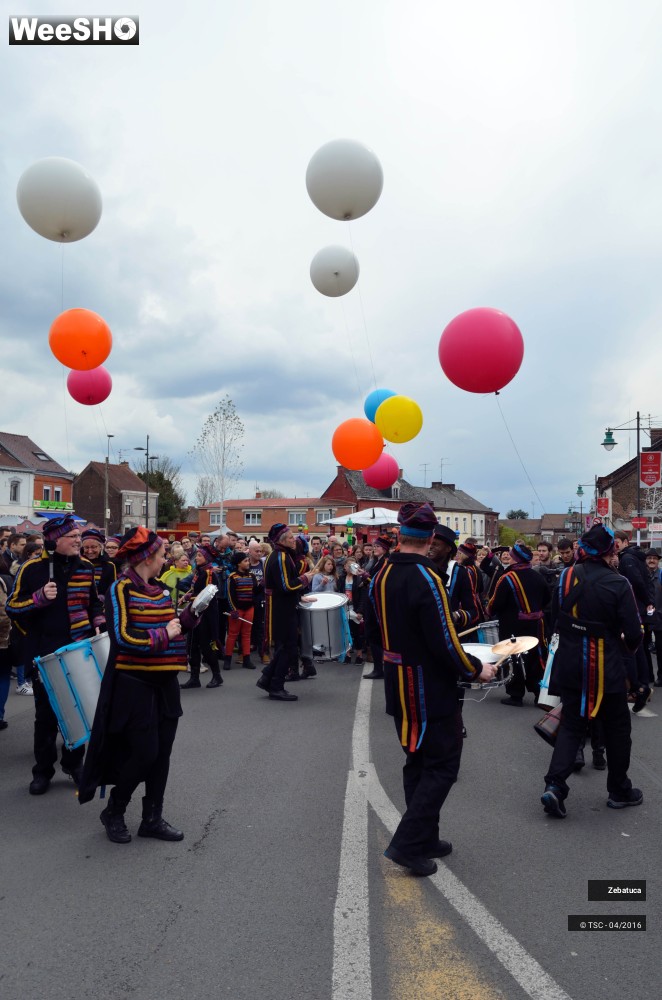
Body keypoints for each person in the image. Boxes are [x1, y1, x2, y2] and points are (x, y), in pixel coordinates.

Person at [370, 503, 495, 877]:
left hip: (397, 679)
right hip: (426, 685)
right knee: (442, 765)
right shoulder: (428, 579)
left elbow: (373, 631)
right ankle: (408, 843)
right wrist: (476, 668)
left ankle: (425, 836)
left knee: (417, 761)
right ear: (429, 541)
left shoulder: (382, 572)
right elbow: (445, 641)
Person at [78, 527, 192, 844]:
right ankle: (114, 810)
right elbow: (123, 638)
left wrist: (187, 620)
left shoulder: (160, 590)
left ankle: (152, 819)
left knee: (163, 755)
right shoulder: (120, 590)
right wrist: (165, 635)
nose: (165, 560)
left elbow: (172, 627)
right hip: (135, 685)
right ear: (146, 558)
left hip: (167, 683)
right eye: (161, 555)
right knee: (144, 754)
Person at [541, 524, 643, 818]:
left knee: (572, 725)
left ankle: (555, 786)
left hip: (570, 662)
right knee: (617, 729)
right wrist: (626, 651)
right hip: (605, 667)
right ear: (610, 551)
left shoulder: (565, 577)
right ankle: (619, 789)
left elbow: (554, 617)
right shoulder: (619, 583)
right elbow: (633, 633)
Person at [7, 515, 104, 794]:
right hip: (45, 654)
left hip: (79, 650)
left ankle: (74, 764)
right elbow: (13, 607)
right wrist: (38, 598)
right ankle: (43, 771)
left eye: (78, 535)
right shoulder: (32, 569)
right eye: (73, 536)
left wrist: (97, 621)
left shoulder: (86, 567)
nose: (79, 541)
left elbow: (93, 604)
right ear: (55, 540)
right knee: (46, 716)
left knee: (80, 710)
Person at [258, 523, 314, 701]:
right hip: (281, 609)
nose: (294, 540)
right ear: (283, 540)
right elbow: (287, 585)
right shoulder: (281, 557)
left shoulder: (281, 555)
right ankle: (276, 686)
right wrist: (306, 577)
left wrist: (299, 597)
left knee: (285, 647)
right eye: (291, 537)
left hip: (283, 606)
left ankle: (267, 677)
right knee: (288, 648)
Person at [488, 542, 549, 707]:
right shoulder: (538, 576)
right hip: (536, 625)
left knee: (513, 656)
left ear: (515, 559)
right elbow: (546, 599)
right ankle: (538, 693)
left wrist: (490, 611)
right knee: (535, 658)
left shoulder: (507, 578)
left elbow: (495, 604)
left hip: (512, 625)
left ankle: (515, 694)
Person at [614, 530, 655, 709]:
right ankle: (642, 685)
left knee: (631, 650)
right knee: (638, 649)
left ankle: (639, 687)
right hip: (638, 608)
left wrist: (647, 602)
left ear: (625, 541)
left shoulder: (628, 559)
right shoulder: (632, 557)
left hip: (634, 609)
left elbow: (635, 583)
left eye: (616, 543)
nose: (614, 547)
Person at [180, 543, 222, 689]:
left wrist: (187, 599)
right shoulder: (200, 572)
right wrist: (189, 597)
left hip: (205, 615)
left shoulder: (209, 573)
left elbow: (206, 597)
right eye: (196, 555)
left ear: (207, 558)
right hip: (195, 614)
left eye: (199, 555)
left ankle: (217, 676)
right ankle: (194, 678)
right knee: (192, 646)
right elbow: (196, 591)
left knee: (205, 646)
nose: (196, 558)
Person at [224, 551, 259, 670]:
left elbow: (255, 592)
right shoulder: (232, 577)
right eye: (245, 561)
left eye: (248, 560)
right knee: (232, 634)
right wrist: (233, 610)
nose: (248, 562)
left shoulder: (252, 576)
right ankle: (227, 659)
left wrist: (262, 586)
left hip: (249, 608)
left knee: (246, 635)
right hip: (237, 610)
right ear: (238, 563)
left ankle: (247, 659)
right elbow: (229, 594)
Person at [81, 528, 117, 598]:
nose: (90, 551)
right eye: (86, 547)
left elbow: (111, 592)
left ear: (101, 547)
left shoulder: (109, 566)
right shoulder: (78, 564)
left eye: (93, 547)